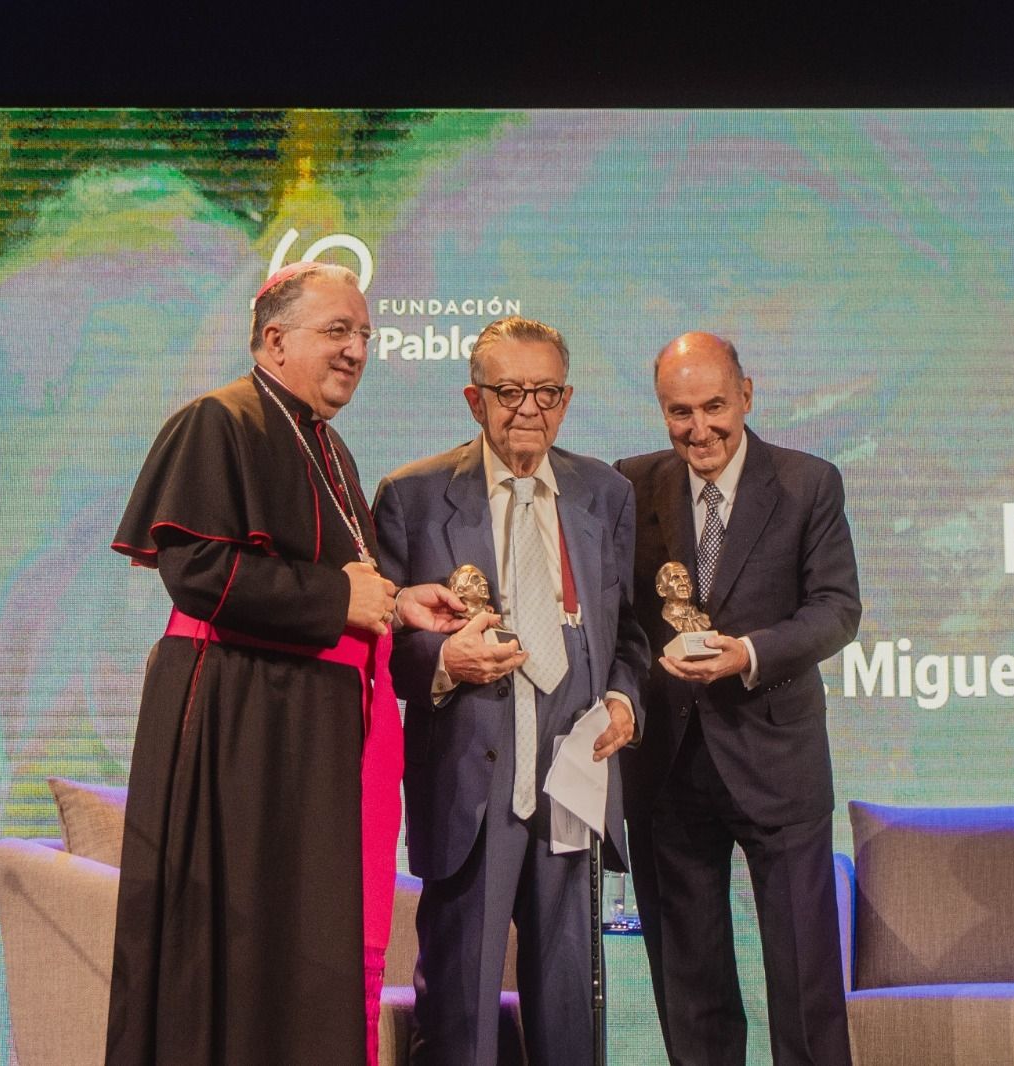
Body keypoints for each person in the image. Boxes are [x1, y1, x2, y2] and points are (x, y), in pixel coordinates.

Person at [106, 261, 464, 1066]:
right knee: (237, 953)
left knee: (304, 950)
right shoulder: (219, 420)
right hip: (239, 728)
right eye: (337, 330)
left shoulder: (325, 444)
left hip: (302, 730)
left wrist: (397, 603)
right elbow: (196, 573)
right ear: (274, 339)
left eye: (364, 335)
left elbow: (339, 579)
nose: (357, 350)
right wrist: (338, 604)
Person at [372, 316, 650, 1065]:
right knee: (462, 1021)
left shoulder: (606, 494)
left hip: (572, 782)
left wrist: (624, 700)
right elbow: (385, 649)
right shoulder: (415, 496)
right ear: (474, 399)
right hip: (471, 793)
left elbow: (629, 636)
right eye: (509, 392)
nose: (529, 409)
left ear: (567, 398)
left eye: (546, 392)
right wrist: (443, 661)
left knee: (571, 1020)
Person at [617, 332, 861, 1066]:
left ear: (746, 397)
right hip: (667, 769)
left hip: (776, 762)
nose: (699, 429)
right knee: (689, 987)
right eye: (679, 412)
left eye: (715, 407)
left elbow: (835, 609)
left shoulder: (807, 483)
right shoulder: (631, 484)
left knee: (804, 985)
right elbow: (622, 614)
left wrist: (747, 653)